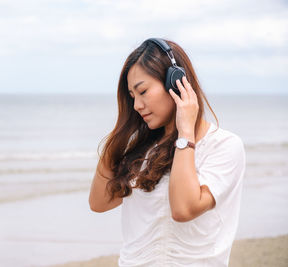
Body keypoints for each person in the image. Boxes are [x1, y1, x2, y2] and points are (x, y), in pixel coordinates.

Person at [88, 37, 246, 267]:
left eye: (143, 91)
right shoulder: (142, 150)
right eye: (132, 97)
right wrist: (122, 130)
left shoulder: (224, 146)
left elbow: (183, 209)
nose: (137, 105)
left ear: (176, 82)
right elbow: (98, 202)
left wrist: (185, 133)